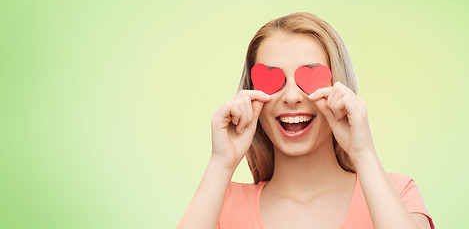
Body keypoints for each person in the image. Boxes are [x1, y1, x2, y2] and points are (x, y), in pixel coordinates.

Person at [177, 12, 434, 229]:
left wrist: (363, 154)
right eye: (273, 80)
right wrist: (220, 164)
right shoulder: (221, 203)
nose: (291, 97)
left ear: (339, 90)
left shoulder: (399, 193)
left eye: (310, 77)